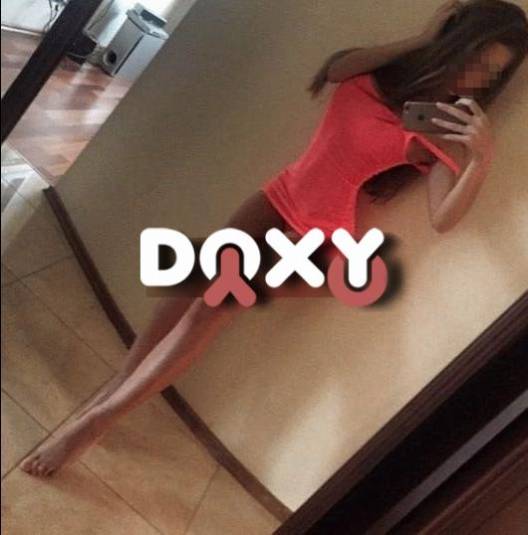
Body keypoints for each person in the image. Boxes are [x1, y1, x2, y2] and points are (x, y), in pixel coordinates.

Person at [21, 0, 528, 477]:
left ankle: (96, 423)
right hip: (281, 193)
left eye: (493, 72)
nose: (476, 77)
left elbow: (443, 218)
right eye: (476, 57)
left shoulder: (439, 130)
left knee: (210, 305)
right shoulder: (388, 74)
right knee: (192, 276)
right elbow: (338, 69)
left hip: (319, 239)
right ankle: (116, 389)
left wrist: (480, 160)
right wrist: (424, 38)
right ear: (457, 37)